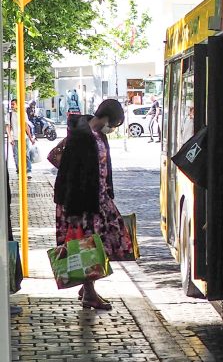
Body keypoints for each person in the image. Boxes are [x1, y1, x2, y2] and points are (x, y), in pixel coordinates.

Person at [50, 100, 132, 311]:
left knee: (103, 244)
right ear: (107, 118)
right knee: (88, 246)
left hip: (100, 199)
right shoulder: (81, 136)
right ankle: (89, 293)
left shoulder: (97, 135)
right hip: (82, 202)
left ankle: (87, 287)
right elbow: (74, 173)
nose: (113, 129)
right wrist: (74, 208)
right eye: (114, 124)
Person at [6, 98, 35, 177]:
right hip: (15, 138)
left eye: (13, 104)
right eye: (11, 104)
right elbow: (8, 127)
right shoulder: (9, 115)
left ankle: (28, 170)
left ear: (17, 104)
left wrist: (30, 137)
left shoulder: (23, 113)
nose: (12, 106)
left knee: (26, 154)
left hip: (24, 138)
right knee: (16, 156)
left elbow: (26, 126)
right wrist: (10, 137)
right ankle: (19, 170)